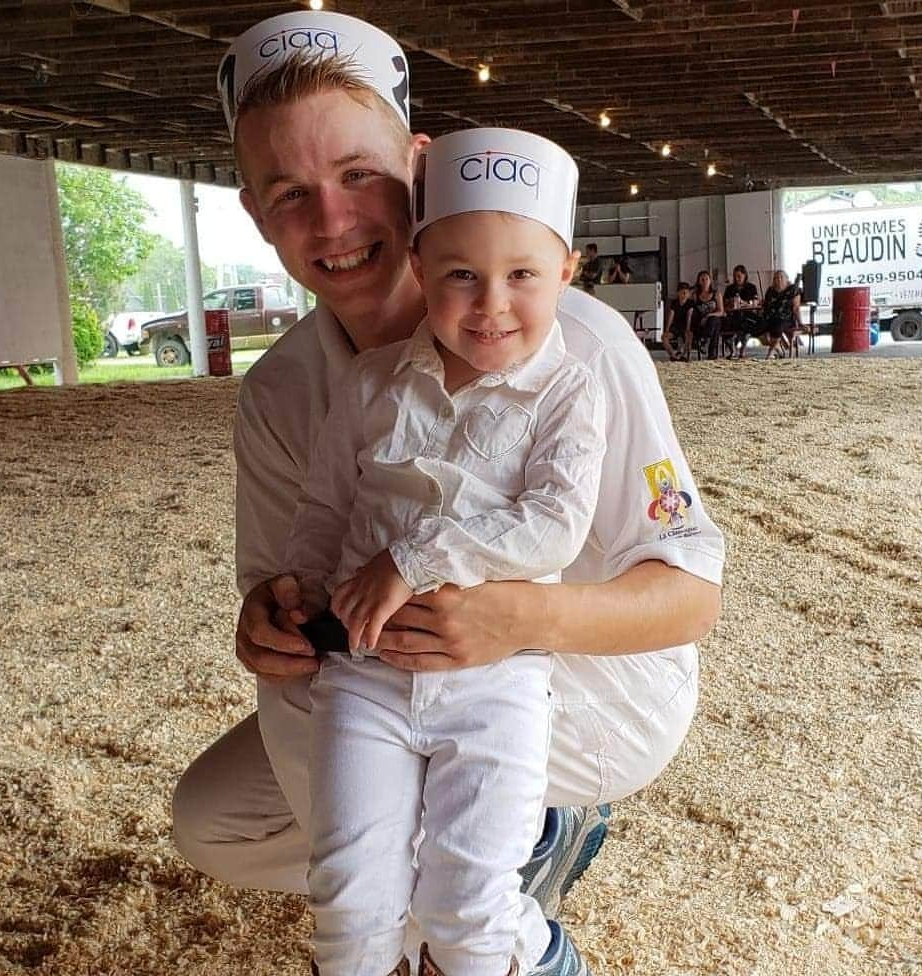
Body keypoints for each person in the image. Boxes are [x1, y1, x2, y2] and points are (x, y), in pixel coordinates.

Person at [172, 11, 724, 976]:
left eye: (359, 177)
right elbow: (281, 588)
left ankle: (496, 888)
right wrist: (265, 618)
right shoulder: (281, 392)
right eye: (291, 193)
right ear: (257, 215)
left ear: (419, 169)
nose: (334, 223)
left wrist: (516, 617)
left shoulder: (580, 345)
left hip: (569, 676)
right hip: (384, 682)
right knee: (213, 819)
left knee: (443, 877)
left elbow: (690, 595)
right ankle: (435, 883)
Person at [290, 127, 606, 976]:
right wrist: (303, 596)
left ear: (567, 273)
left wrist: (415, 560)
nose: (491, 302)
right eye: (461, 273)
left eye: (523, 275)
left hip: (496, 683)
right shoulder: (370, 384)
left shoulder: (573, 389)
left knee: (466, 900)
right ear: (422, 271)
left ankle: (524, 950)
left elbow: (556, 525)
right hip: (366, 673)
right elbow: (326, 508)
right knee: (350, 893)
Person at [761, 269, 801, 360]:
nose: (778, 279)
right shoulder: (770, 290)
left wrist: (800, 322)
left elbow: (796, 308)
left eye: (781, 277)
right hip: (770, 317)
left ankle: (770, 353)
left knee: (778, 325)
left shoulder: (793, 290)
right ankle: (777, 349)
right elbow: (765, 305)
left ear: (787, 279)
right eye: (776, 278)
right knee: (759, 326)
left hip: (786, 318)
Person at [723, 265, 761, 359]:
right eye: (735, 276)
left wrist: (745, 303)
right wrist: (730, 302)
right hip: (733, 314)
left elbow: (756, 302)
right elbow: (724, 302)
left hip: (747, 313)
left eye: (739, 276)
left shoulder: (751, 287)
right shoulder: (730, 288)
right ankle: (732, 349)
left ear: (745, 276)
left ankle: (742, 349)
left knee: (746, 324)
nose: (737, 278)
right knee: (724, 323)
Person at [686, 269, 725, 360]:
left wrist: (708, 316)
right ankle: (710, 350)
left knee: (714, 321)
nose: (704, 282)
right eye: (702, 280)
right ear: (699, 282)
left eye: (706, 279)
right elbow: (690, 307)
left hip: (713, 320)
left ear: (710, 281)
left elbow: (721, 311)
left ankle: (706, 341)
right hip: (700, 322)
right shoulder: (696, 295)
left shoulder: (716, 294)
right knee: (714, 324)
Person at [662, 281, 694, 361]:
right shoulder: (674, 303)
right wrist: (667, 329)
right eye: (682, 292)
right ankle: (673, 355)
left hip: (686, 326)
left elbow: (689, 317)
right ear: (678, 293)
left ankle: (684, 355)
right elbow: (671, 316)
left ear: (689, 294)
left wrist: (687, 329)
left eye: (686, 292)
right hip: (676, 327)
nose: (684, 295)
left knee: (689, 336)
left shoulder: (690, 303)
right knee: (664, 337)